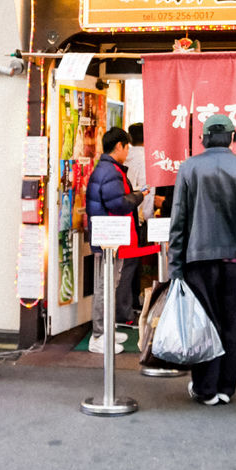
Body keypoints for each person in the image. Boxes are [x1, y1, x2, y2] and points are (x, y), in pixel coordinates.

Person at [167, 113, 236, 405]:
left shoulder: (189, 167)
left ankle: (205, 388)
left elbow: (179, 220)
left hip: (198, 258)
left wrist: (175, 265)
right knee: (234, 323)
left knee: (204, 322)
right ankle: (226, 388)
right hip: (235, 256)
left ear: (205, 138)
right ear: (233, 138)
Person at [85, 127, 149, 354]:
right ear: (119, 146)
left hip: (108, 239)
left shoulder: (106, 169)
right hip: (108, 240)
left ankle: (106, 330)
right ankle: (99, 335)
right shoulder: (110, 171)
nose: (128, 152)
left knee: (108, 286)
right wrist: (140, 195)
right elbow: (118, 204)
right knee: (105, 287)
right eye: (127, 147)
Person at [115, 122, 154, 324]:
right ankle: (126, 310)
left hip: (119, 215)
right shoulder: (147, 158)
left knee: (123, 265)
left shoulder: (121, 158)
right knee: (130, 265)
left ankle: (128, 306)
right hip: (135, 215)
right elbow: (147, 191)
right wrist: (149, 218)